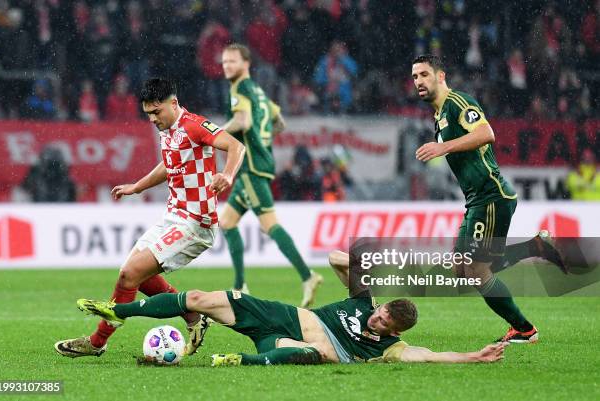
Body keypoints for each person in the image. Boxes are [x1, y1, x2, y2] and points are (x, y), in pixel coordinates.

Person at [54, 78, 245, 358]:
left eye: (157, 112)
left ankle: (97, 342)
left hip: (196, 223)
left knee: (129, 275)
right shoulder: (168, 130)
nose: (153, 119)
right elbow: (170, 165)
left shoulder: (194, 125)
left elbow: (236, 146)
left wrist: (227, 174)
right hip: (173, 216)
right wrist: (137, 186)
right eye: (148, 114)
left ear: (174, 103)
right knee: (135, 277)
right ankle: (193, 316)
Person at [77, 250, 508, 365]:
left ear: (394, 331)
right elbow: (340, 258)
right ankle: (120, 312)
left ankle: (238, 360)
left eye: (382, 323)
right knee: (198, 299)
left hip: (294, 344)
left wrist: (474, 355)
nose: (374, 319)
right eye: (378, 312)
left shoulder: (391, 348)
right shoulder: (364, 301)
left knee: (318, 353)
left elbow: (432, 356)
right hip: (288, 317)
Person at [411, 55, 567, 343]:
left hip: (491, 195)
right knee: (462, 269)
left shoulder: (459, 103)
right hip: (476, 200)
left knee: (477, 270)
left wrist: (443, 147)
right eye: (415, 77)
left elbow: (487, 133)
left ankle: (524, 328)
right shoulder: (439, 115)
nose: (419, 81)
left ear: (440, 76)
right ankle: (536, 246)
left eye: (424, 74)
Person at [219, 43, 323, 307]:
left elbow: (243, 122)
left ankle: (307, 275)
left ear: (246, 63)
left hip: (251, 168)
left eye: (232, 61)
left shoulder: (240, 88)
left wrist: (215, 136)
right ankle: (240, 284)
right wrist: (263, 140)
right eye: (224, 62)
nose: (227, 66)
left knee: (269, 225)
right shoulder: (259, 92)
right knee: (228, 222)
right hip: (259, 164)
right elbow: (280, 122)